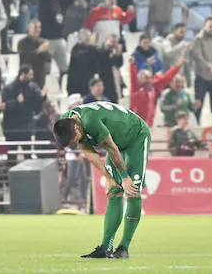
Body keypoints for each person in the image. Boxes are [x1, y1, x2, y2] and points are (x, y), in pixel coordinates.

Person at [53, 100, 151, 259]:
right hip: (115, 142)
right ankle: (106, 247)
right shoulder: (68, 121)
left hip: (135, 137)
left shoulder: (90, 121)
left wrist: (124, 177)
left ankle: (124, 247)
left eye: (76, 140)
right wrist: (108, 178)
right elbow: (88, 150)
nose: (77, 143)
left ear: (77, 128)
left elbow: (111, 148)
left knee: (132, 190)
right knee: (114, 190)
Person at [129, 56, 183, 127]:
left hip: (149, 126)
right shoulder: (136, 88)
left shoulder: (153, 88)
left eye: (150, 78)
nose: (149, 80)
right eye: (146, 78)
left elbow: (166, 78)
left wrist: (177, 67)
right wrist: (132, 65)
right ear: (140, 79)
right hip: (135, 126)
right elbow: (133, 76)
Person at [1, 65, 43, 143]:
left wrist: (42, 96)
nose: (32, 77)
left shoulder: (33, 88)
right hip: (12, 128)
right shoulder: (9, 88)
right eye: (30, 74)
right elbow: (4, 105)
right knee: (12, 154)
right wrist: (16, 102)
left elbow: (37, 106)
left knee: (28, 154)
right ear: (23, 74)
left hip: (26, 128)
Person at [17, 19, 51, 88]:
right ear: (29, 28)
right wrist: (39, 50)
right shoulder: (22, 43)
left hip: (40, 78)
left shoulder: (43, 42)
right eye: (35, 27)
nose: (38, 30)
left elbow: (47, 59)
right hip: (26, 78)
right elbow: (26, 59)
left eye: (39, 27)